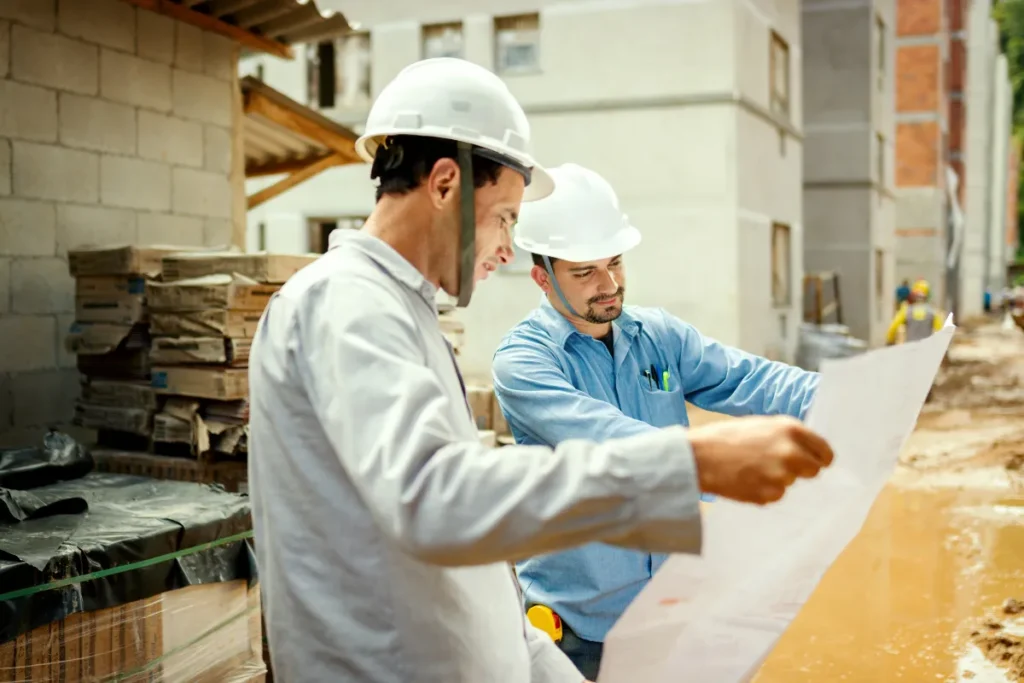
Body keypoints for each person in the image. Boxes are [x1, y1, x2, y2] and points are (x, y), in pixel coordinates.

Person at [248, 60, 834, 683]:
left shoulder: (407, 315)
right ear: (445, 184)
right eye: (504, 218)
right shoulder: (344, 304)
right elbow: (437, 499)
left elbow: (478, 570)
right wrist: (693, 462)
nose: (505, 248)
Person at [490, 163, 823, 680]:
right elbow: (610, 441)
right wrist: (724, 463)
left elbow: (753, 380)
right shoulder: (525, 364)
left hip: (670, 613)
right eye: (585, 272)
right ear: (542, 277)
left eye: (616, 263)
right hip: (579, 629)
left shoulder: (658, 336)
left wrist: (846, 397)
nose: (609, 285)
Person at [886, 279, 943, 345]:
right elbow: (941, 330)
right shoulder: (932, 312)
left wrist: (890, 340)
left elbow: (893, 327)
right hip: (927, 349)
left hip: (910, 349)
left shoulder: (906, 311)